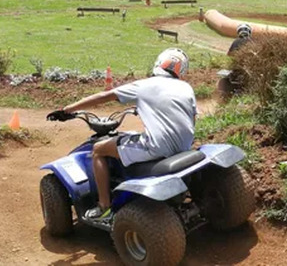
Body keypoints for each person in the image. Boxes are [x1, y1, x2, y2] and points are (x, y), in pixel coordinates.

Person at [59, 48, 196, 222]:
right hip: (184, 147)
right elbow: (191, 118)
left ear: (159, 63)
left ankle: (103, 207)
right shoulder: (186, 87)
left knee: (98, 150)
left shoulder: (144, 85)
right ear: (181, 70)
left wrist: (68, 109)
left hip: (157, 148)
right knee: (133, 137)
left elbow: (104, 96)